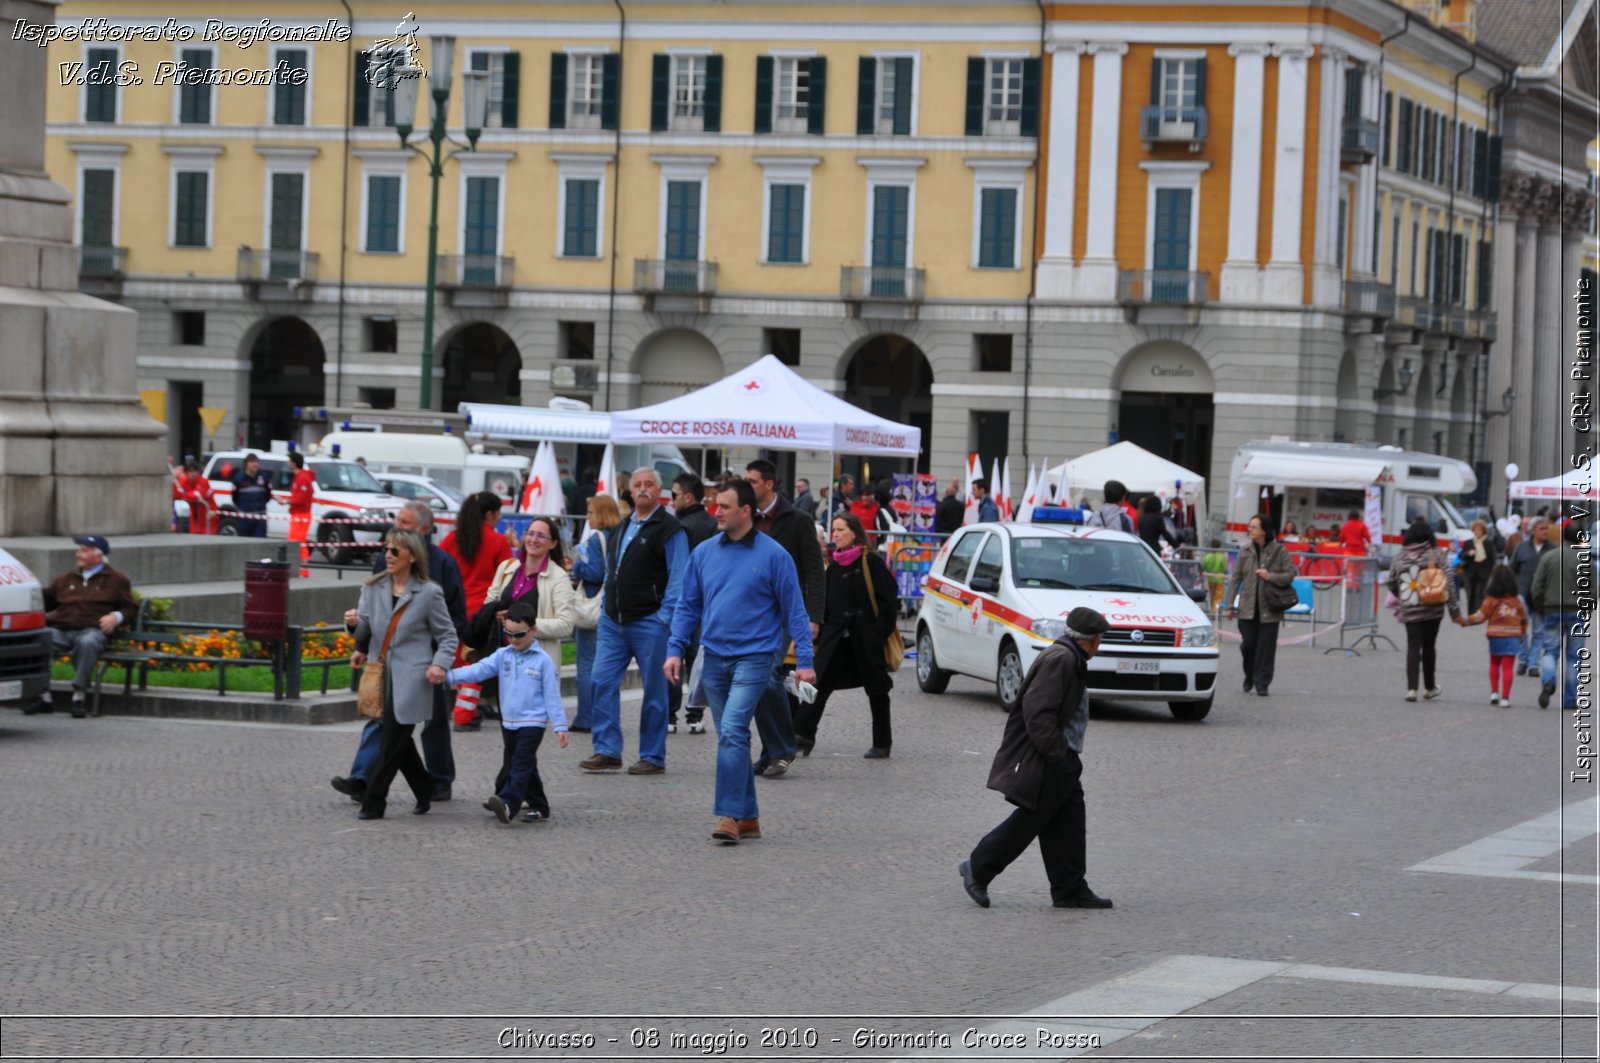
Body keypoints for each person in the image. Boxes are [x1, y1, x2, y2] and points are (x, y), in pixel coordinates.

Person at [665, 480, 815, 845]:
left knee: (732, 731)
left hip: (756, 657)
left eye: (725, 507)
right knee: (733, 737)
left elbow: (795, 611)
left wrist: (806, 660)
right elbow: (688, 605)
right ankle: (748, 817)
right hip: (714, 658)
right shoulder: (703, 553)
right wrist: (674, 648)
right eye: (716, 505)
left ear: (745, 511)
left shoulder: (775, 555)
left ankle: (729, 814)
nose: (717, 511)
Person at [960, 606, 1114, 910]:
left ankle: (1070, 888)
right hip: (1051, 757)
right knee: (1030, 821)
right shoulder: (1062, 660)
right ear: (1092, 639)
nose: (1101, 644)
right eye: (1100, 639)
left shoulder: (1069, 656)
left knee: (1069, 821)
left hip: (1062, 756)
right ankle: (977, 868)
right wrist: (1058, 756)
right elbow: (1038, 713)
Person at [331, 501, 467, 804]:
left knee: (433, 722)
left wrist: (437, 659)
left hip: (425, 663)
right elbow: (374, 616)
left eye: (405, 522)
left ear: (424, 529)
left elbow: (455, 620)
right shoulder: (385, 562)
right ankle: (363, 779)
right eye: (398, 520)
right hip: (387, 663)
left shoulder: (443, 564)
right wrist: (360, 644)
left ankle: (439, 780)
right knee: (381, 719)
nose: (398, 526)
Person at [580, 468, 687, 775]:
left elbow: (679, 578)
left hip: (650, 621)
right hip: (614, 619)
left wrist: (665, 617)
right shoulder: (624, 524)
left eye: (649, 485)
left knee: (655, 689)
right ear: (630, 490)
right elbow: (611, 571)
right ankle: (607, 749)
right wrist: (605, 605)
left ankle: (652, 756)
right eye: (637, 485)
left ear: (659, 490)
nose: (642, 489)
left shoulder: (670, 528)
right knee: (600, 680)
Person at [350, 529, 459, 820]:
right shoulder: (373, 588)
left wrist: (440, 664)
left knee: (392, 738)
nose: (388, 555)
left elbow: (448, 635)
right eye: (386, 549)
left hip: (413, 676)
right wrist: (353, 626)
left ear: (411, 556)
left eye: (395, 550)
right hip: (382, 672)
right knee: (397, 739)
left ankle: (373, 801)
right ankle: (424, 787)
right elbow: (366, 628)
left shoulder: (429, 592)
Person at [446, 601, 569, 825]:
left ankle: (508, 804)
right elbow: (479, 670)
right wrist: (450, 676)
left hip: (533, 722)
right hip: (509, 722)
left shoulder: (543, 662)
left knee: (520, 763)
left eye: (519, 635)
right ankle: (540, 806)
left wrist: (560, 726)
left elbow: (553, 696)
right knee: (523, 763)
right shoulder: (503, 655)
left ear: (533, 630)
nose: (513, 640)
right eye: (508, 634)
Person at [794, 512, 899, 758]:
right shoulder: (833, 567)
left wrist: (878, 634)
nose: (836, 535)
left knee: (877, 690)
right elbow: (826, 605)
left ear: (854, 532)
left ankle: (882, 743)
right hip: (836, 639)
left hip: (866, 638)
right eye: (834, 530)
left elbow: (888, 601)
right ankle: (801, 734)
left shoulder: (870, 561)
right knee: (816, 684)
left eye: (840, 529)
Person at [746, 459, 825, 777]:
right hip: (749, 614)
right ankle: (770, 750)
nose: (747, 485)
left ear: (769, 484)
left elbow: (814, 571)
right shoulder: (744, 517)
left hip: (783, 614)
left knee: (766, 677)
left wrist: (813, 616)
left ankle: (781, 749)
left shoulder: (797, 520)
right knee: (758, 682)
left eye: (752, 481)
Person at [438, 491, 514, 730]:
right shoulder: (498, 542)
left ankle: (471, 708)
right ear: (489, 514)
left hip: (453, 609)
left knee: (461, 662)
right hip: (483, 612)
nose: (499, 518)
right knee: (473, 665)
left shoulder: (452, 538)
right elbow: (510, 576)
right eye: (498, 513)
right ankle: (463, 715)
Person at [41, 535, 136, 718]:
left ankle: (78, 695)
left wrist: (115, 617)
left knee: (88, 642)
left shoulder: (116, 580)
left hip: (91, 630)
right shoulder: (66, 579)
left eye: (83, 550)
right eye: (79, 550)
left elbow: (130, 608)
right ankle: (43, 696)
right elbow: (46, 602)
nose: (78, 554)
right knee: (40, 639)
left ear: (98, 556)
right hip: (62, 629)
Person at [1386, 519, 1464, 702]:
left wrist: (1405, 597)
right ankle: (1429, 687)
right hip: (1433, 609)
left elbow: (1391, 582)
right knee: (1429, 646)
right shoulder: (1436, 554)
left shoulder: (1399, 557)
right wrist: (1454, 611)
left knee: (1413, 645)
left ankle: (1411, 689)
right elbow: (1449, 583)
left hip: (1410, 609)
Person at [482, 517, 576, 667]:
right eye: (530, 533)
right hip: (500, 655)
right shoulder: (506, 567)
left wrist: (524, 626)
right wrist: (494, 613)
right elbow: (489, 603)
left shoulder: (559, 578)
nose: (533, 539)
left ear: (553, 543)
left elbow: (565, 625)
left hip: (536, 663)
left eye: (541, 536)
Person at [1223, 514, 1298, 697]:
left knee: (1266, 648)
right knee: (1248, 646)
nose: (1250, 530)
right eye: (1250, 526)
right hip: (1248, 608)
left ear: (1264, 530)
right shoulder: (1245, 550)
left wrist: (1270, 576)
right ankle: (1249, 674)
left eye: (1253, 527)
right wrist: (1229, 604)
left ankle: (1262, 682)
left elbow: (1290, 574)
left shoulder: (1279, 551)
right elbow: (1235, 579)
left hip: (1270, 608)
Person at [667, 474, 718, 734]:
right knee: (696, 656)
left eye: (674, 494)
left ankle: (670, 715)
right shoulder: (712, 524)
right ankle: (695, 714)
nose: (671, 499)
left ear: (688, 497)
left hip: (682, 600)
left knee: (675, 654)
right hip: (707, 600)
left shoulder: (677, 526)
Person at [570, 494, 623, 733]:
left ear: (600, 513)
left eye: (590, 512)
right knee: (605, 665)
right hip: (613, 607)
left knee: (586, 663)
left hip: (592, 607)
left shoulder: (595, 539)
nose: (587, 517)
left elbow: (593, 572)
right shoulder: (619, 535)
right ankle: (602, 714)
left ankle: (585, 717)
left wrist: (577, 564)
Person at [1530, 520, 1588, 710]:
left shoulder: (1549, 556)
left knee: (1550, 650)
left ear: (1563, 536)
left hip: (1553, 609)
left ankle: (1548, 680)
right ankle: (1570, 698)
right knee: (1574, 656)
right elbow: (1593, 589)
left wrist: (1540, 605)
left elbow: (1537, 586)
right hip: (1576, 610)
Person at [1456, 564, 1528, 707]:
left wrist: (1465, 620)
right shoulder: (1516, 601)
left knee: (1494, 664)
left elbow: (1481, 616)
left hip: (1495, 635)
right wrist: (1522, 632)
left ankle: (1494, 692)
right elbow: (1523, 619)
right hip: (1512, 636)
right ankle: (1505, 698)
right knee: (1508, 668)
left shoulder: (1491, 600)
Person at [1509, 517, 1554, 677]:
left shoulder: (1553, 550)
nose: (1545, 532)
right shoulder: (1521, 547)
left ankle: (1534, 664)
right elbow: (1511, 569)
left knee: (1539, 632)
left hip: (1542, 598)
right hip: (1523, 595)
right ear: (1533, 531)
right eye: (1542, 529)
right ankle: (1522, 661)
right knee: (1521, 630)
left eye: (1547, 529)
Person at [1456, 520, 1499, 616]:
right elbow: (1461, 556)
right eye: (1475, 530)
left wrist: (1492, 572)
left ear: (1483, 531)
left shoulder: (1488, 543)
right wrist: (1468, 553)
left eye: (1479, 530)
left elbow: (1492, 559)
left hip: (1484, 572)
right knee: (1470, 593)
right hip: (1470, 572)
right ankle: (1471, 613)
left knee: (1481, 593)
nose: (1477, 532)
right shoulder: (1469, 543)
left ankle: (1480, 612)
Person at [287, 450, 316, 572]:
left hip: (301, 514)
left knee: (298, 542)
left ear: (294, 463)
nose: (288, 463)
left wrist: (288, 501)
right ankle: (301, 568)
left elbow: (302, 497)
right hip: (297, 513)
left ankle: (303, 569)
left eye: (289, 460)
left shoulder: (302, 477)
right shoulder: (299, 477)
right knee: (298, 541)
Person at [231, 452, 272, 538]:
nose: (255, 464)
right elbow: (235, 498)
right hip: (244, 518)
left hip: (260, 518)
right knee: (244, 543)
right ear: (246, 464)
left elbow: (268, 495)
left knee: (260, 544)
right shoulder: (239, 479)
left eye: (257, 462)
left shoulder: (264, 477)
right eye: (252, 462)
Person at [173, 457, 216, 535]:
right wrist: (175, 478)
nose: (194, 473)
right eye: (191, 471)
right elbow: (176, 494)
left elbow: (197, 495)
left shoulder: (203, 481)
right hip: (194, 517)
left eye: (195, 471)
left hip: (208, 516)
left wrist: (185, 495)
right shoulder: (185, 481)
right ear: (186, 473)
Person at [1202, 538, 1230, 613]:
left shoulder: (1208, 556)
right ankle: (1215, 611)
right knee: (1218, 596)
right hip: (1220, 579)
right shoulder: (1222, 556)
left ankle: (1212, 610)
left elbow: (1203, 566)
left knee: (1212, 596)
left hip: (1210, 579)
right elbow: (1225, 568)